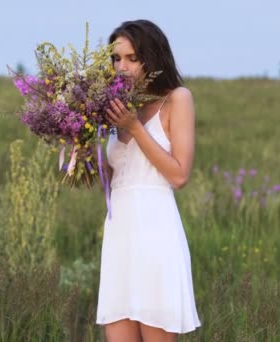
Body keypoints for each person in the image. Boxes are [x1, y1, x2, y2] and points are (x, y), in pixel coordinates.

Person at [96, 19, 202, 341]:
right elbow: (116, 180)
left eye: (132, 58)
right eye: (116, 59)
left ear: (151, 57)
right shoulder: (116, 108)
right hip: (119, 235)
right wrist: (85, 154)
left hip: (156, 235)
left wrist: (135, 127)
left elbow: (179, 175)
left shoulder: (177, 99)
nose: (122, 67)